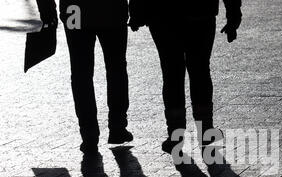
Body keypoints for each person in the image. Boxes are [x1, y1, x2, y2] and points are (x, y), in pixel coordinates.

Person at [128, 0, 242, 154]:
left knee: (171, 73)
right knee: (200, 70)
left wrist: (136, 13)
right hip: (200, 14)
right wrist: (233, 15)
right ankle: (206, 130)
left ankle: (175, 135)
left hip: (163, 15)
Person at [36, 0, 133, 154]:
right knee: (116, 68)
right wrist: (135, 9)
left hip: (75, 10)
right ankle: (117, 125)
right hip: (111, 10)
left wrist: (47, 12)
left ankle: (89, 133)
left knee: (81, 72)